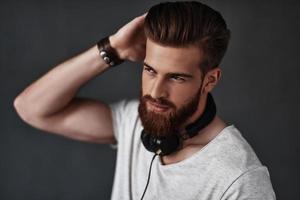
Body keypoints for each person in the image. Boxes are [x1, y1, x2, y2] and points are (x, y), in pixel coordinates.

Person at [13, 1, 276, 200]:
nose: (156, 92)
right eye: (150, 70)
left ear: (210, 80)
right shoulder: (134, 123)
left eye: (176, 77)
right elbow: (31, 108)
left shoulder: (239, 179)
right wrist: (114, 48)